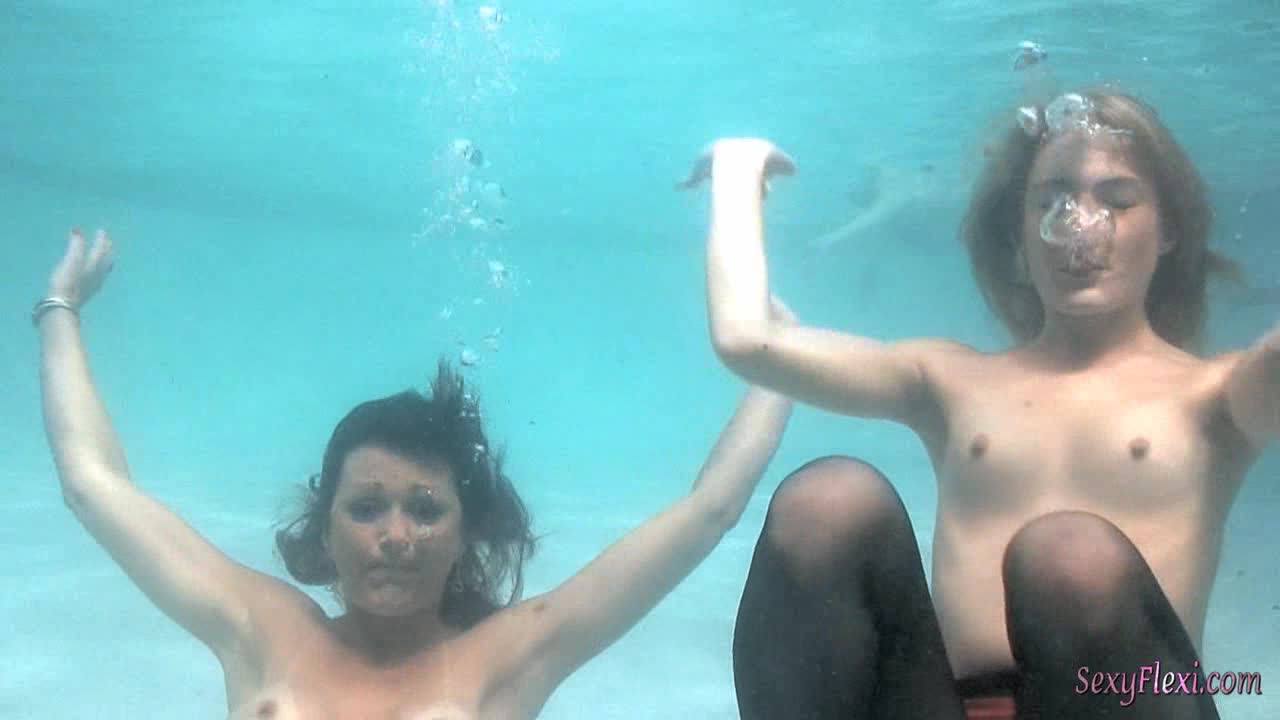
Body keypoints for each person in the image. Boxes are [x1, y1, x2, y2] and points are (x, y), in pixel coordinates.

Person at [682, 89, 1277, 719]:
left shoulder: (1218, 395)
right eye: (1050, 202)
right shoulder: (950, 381)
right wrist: (736, 175)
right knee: (826, 503)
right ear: (1019, 236)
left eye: (1119, 200)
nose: (1081, 225)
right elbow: (747, 341)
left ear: (1169, 230)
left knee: (1067, 556)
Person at [35, 229, 794, 718]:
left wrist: (778, 360)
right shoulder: (261, 626)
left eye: (426, 510)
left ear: (466, 534)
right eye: (366, 508)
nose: (396, 535)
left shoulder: (510, 653)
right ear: (324, 526)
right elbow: (93, 486)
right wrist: (60, 306)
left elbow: (710, 510)